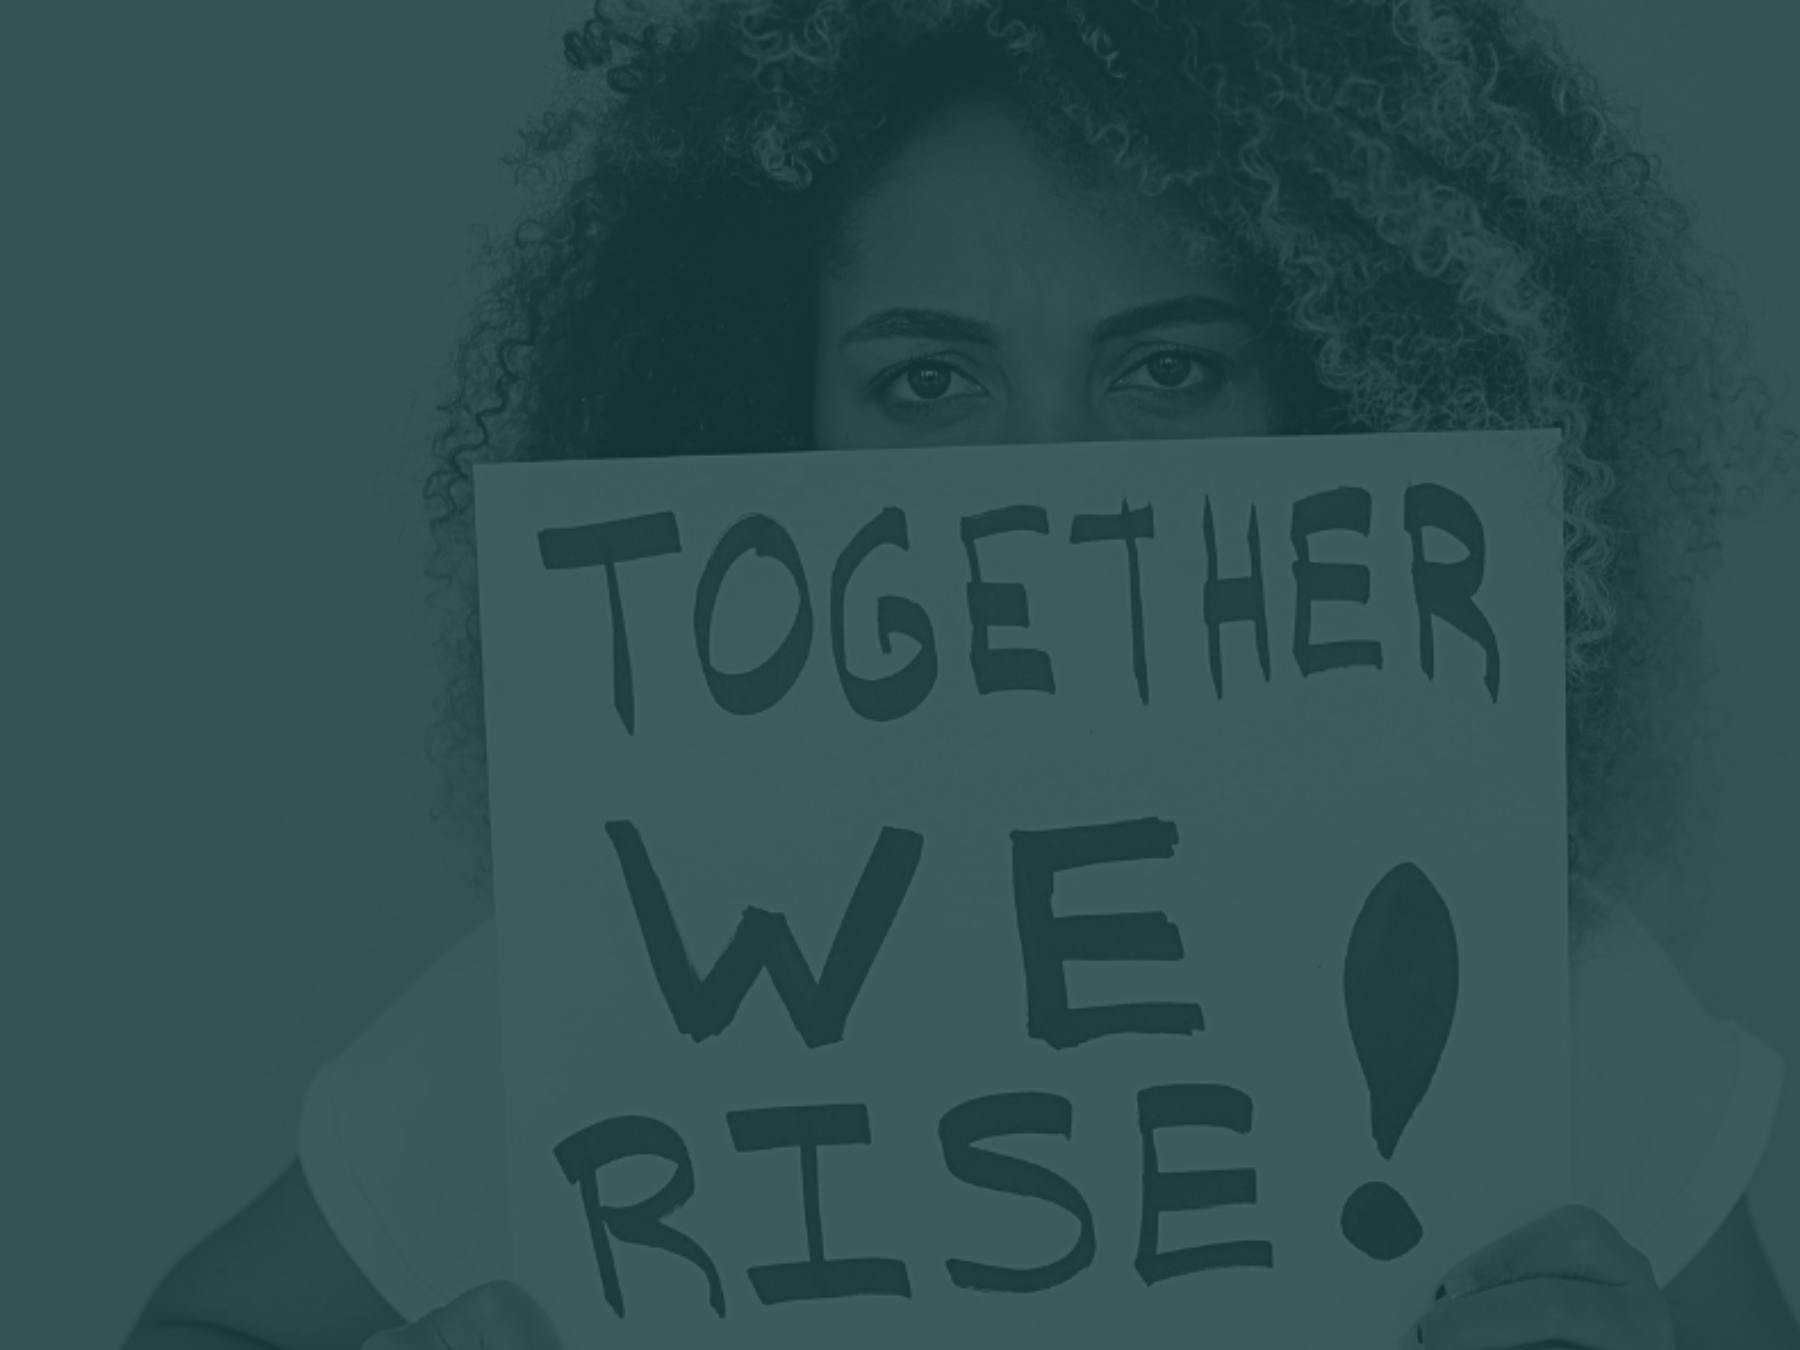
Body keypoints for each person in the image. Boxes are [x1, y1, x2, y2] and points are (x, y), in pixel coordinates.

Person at [123, 0, 1799, 1347]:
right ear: (774, 439)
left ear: (1345, 404)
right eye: (928, 381)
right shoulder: (629, 990)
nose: (1049, 481)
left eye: (1168, 366)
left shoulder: (1544, 996)